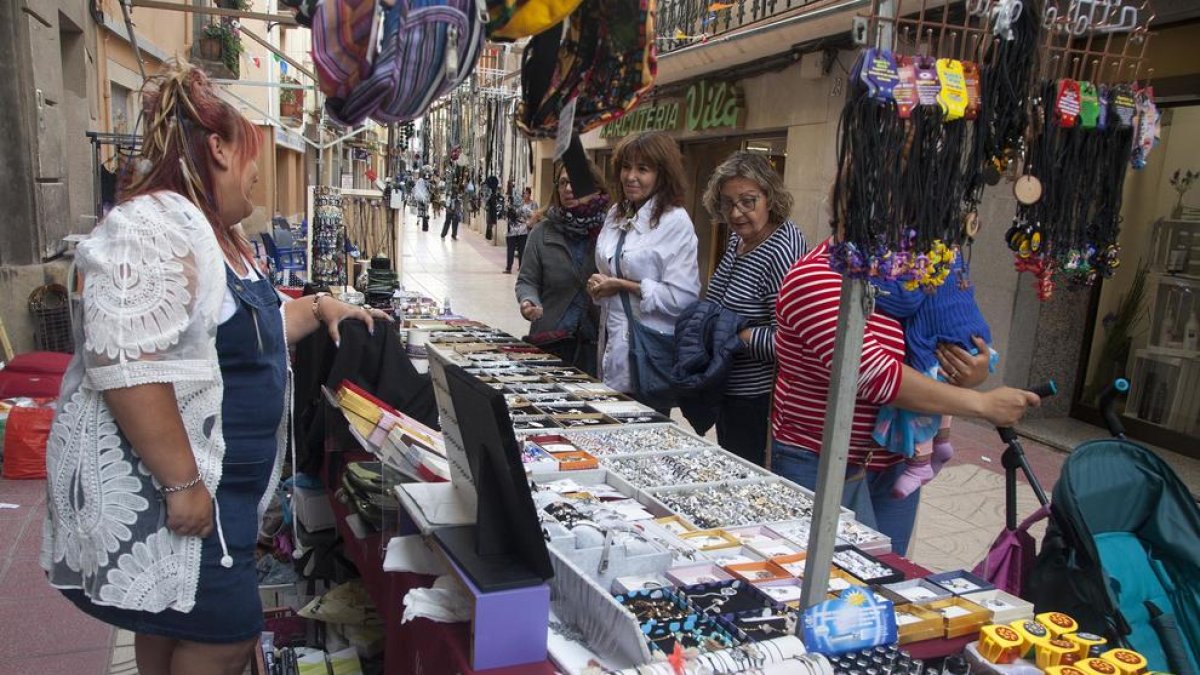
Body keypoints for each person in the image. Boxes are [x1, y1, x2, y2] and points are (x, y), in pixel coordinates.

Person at [41, 63, 389, 675]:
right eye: (251, 154)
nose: (257, 172)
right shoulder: (156, 227)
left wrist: (318, 307)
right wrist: (183, 487)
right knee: (227, 637)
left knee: (170, 623)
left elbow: (240, 337)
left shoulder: (215, 234)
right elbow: (126, 362)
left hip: (215, 493)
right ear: (219, 149)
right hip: (188, 494)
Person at [770, 210, 1040, 557]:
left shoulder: (903, 273)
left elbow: (949, 334)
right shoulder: (816, 275)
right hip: (820, 461)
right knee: (829, 583)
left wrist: (973, 369)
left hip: (894, 459)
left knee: (886, 575)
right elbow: (874, 375)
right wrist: (983, 405)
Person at [694, 151, 807, 466]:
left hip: (758, 401)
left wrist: (738, 336)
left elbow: (791, 341)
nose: (736, 212)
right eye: (728, 203)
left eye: (748, 201)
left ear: (770, 198)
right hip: (729, 388)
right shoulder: (738, 240)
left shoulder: (783, 249)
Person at [590, 131, 700, 411]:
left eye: (643, 169)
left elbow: (684, 299)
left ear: (662, 174)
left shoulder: (675, 222)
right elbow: (608, 267)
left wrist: (625, 286)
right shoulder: (616, 213)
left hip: (648, 359)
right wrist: (599, 284)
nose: (631, 176)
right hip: (611, 350)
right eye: (626, 167)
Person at [871, 254, 997, 498]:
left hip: (940, 337)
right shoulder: (948, 249)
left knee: (920, 393)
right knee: (937, 379)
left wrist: (865, 276)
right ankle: (941, 442)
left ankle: (920, 462)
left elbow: (906, 298)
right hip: (961, 333)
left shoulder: (923, 250)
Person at [516, 161, 610, 376]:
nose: (568, 189)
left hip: (596, 344)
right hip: (551, 340)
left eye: (575, 182)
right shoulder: (542, 232)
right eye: (563, 183)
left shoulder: (609, 232)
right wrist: (528, 301)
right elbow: (527, 280)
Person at [505, 186, 537, 274]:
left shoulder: (533, 204)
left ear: (530, 194)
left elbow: (535, 215)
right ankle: (509, 268)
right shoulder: (519, 204)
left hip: (525, 229)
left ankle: (521, 267)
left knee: (522, 249)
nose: (524, 195)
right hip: (514, 229)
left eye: (526, 193)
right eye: (524, 193)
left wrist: (528, 221)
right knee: (511, 249)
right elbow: (514, 214)